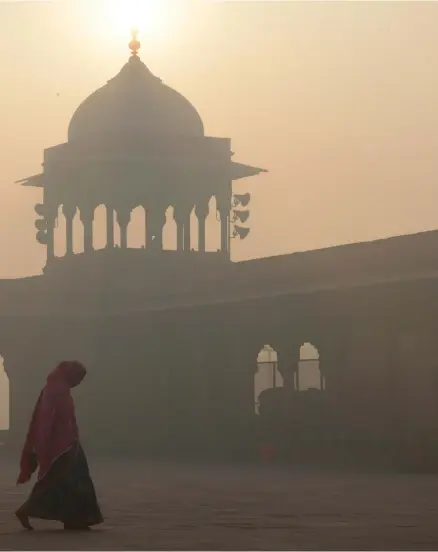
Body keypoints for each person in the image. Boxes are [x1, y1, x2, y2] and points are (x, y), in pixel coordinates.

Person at [15, 360, 104, 531]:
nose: (78, 383)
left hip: (69, 443)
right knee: (64, 481)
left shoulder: (59, 388)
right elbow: (47, 420)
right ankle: (30, 510)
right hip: (61, 447)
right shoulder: (57, 390)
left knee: (67, 482)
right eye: (78, 378)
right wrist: (44, 445)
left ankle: (74, 518)